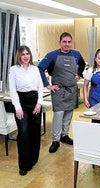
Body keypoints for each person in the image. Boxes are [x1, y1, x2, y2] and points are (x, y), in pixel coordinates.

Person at [38, 32, 86, 153]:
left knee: (68, 114)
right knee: (58, 114)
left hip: (72, 89)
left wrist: (79, 73)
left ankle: (64, 135)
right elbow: (40, 68)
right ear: (59, 42)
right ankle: (55, 140)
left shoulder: (76, 54)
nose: (67, 44)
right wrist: (47, 85)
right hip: (58, 89)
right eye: (64, 42)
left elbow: (82, 63)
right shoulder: (52, 55)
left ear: (71, 42)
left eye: (69, 42)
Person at [9, 45, 43, 176]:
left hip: (35, 102)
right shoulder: (14, 70)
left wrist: (39, 103)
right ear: (19, 56)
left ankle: (33, 159)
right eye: (23, 54)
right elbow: (12, 90)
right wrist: (17, 107)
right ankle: (23, 165)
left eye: (27, 54)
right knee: (23, 132)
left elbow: (40, 87)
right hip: (21, 103)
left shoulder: (35, 69)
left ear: (30, 55)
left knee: (35, 132)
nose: (25, 56)